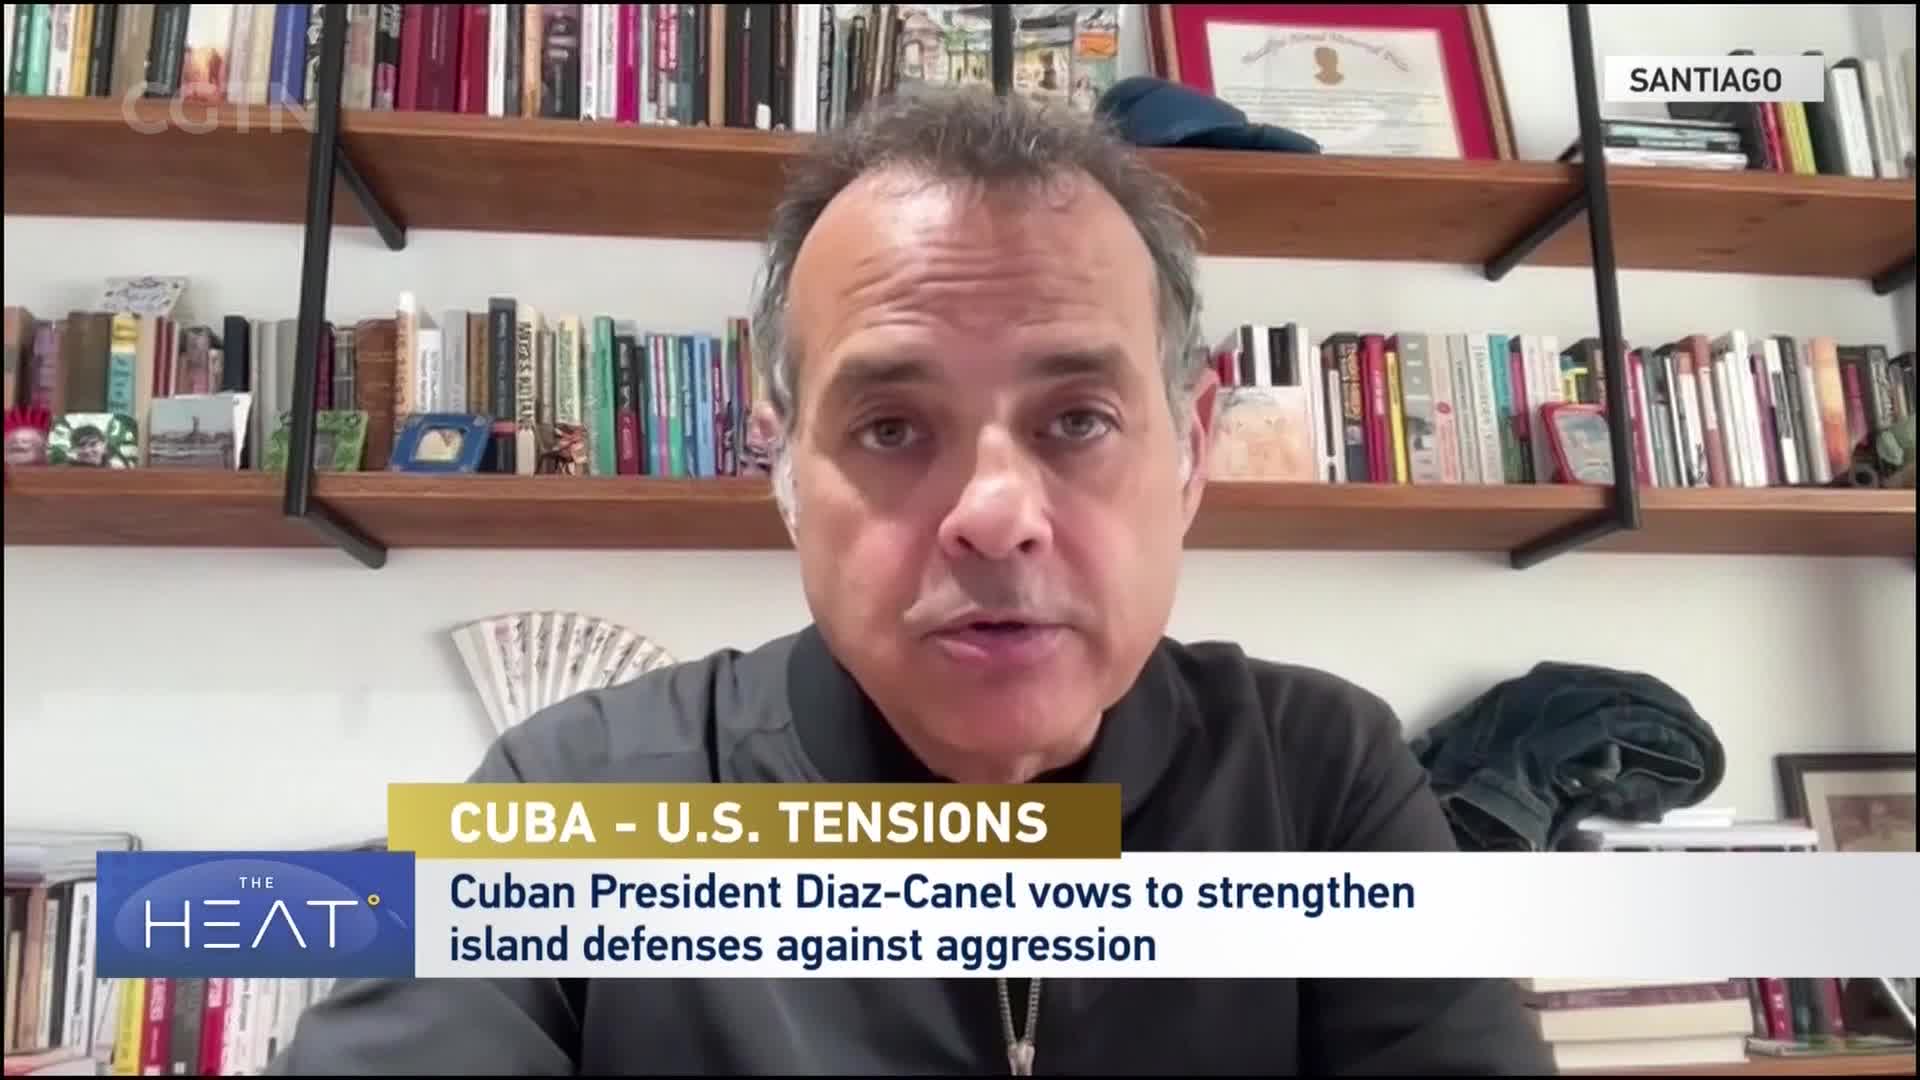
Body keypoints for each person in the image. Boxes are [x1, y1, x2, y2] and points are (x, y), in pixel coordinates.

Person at [275, 87, 1555, 1076]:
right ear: (784, 470)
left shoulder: (1316, 773)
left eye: (1079, 421)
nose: (995, 517)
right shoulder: (572, 794)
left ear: (1192, 457)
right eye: (891, 429)